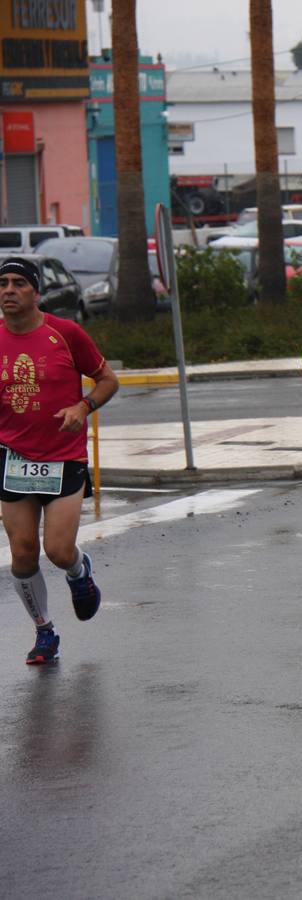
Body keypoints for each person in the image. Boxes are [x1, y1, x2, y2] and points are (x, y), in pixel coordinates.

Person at [0, 258, 117, 665]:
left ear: (36, 291)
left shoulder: (65, 333)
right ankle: (44, 631)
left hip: (64, 459)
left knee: (58, 550)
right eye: (2, 284)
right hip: (14, 459)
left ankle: (79, 573)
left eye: (18, 283)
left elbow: (108, 380)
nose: (9, 290)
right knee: (23, 552)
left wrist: (82, 408)